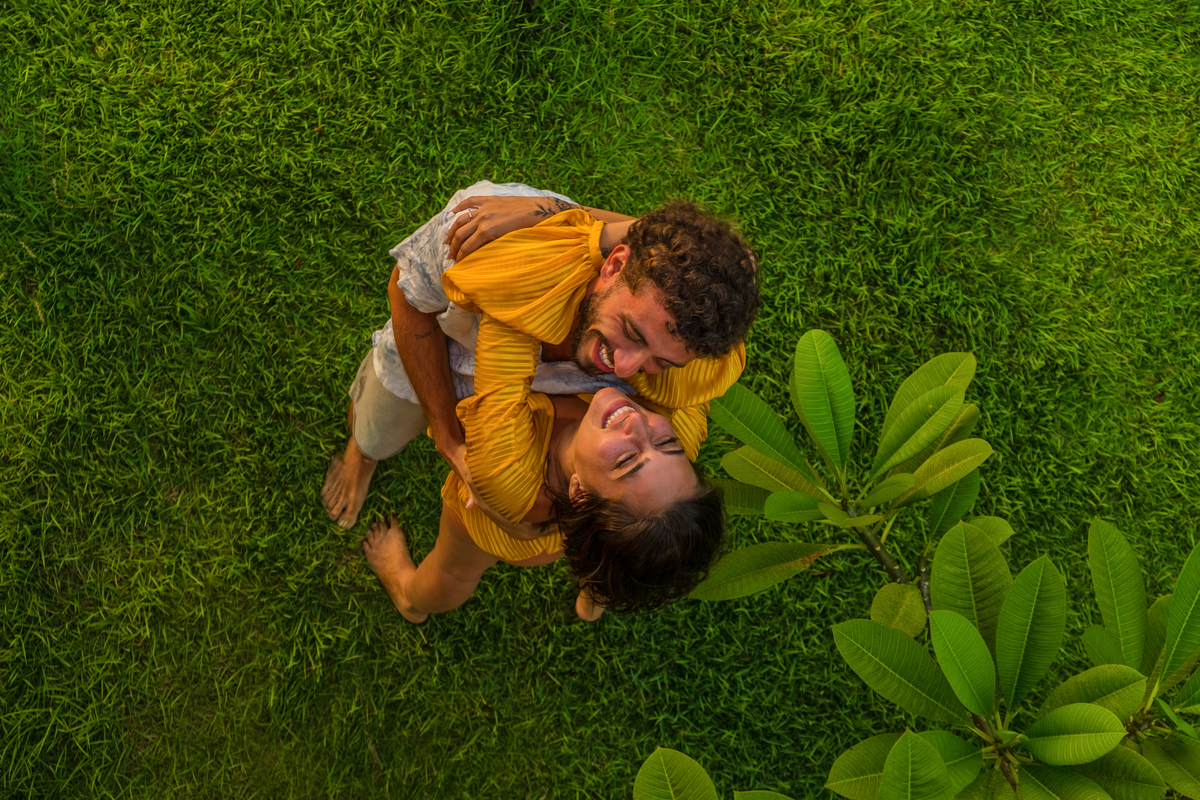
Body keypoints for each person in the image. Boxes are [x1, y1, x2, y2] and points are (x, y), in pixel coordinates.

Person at [321, 182, 760, 533]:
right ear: (613, 266)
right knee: (377, 429)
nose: (625, 369)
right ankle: (363, 455)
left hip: (513, 411)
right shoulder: (485, 232)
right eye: (631, 332)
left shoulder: (681, 345)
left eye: (661, 362)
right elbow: (408, 296)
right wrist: (448, 437)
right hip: (427, 354)